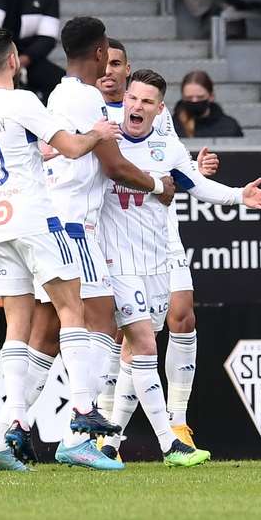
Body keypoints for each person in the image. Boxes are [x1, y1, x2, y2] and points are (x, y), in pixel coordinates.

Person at [0, 28, 120, 472]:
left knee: (16, 325)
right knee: (73, 309)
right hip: (35, 217)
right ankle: (84, 407)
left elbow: (24, 153)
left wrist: (48, 150)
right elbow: (70, 148)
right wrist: (96, 132)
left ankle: (14, 420)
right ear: (13, 59)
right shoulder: (24, 101)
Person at [98, 68, 261, 465]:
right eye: (133, 98)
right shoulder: (104, 139)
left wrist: (237, 197)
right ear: (124, 98)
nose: (136, 106)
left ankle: (111, 439)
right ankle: (167, 437)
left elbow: (194, 183)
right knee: (140, 343)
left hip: (157, 258)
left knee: (139, 347)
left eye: (146, 102)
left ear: (160, 110)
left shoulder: (166, 148)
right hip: (117, 260)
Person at [29, 17, 176, 470]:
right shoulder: (88, 96)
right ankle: (79, 427)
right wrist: (157, 184)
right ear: (98, 53)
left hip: (51, 221)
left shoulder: (56, 93)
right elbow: (112, 166)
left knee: (45, 333)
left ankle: (6, 432)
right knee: (99, 317)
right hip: (75, 228)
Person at [96, 39, 222, 452]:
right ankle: (106, 427)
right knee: (126, 336)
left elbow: (174, 176)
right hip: (114, 237)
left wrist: (191, 174)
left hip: (161, 235)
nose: (110, 72)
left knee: (179, 318)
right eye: (105, 64)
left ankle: (177, 423)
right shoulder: (91, 116)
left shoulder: (157, 116)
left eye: (118, 64)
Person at [174, 70, 243, 137]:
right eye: (189, 98)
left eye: (200, 97)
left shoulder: (229, 127)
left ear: (211, 96)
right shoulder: (169, 127)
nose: (194, 101)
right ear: (183, 97)